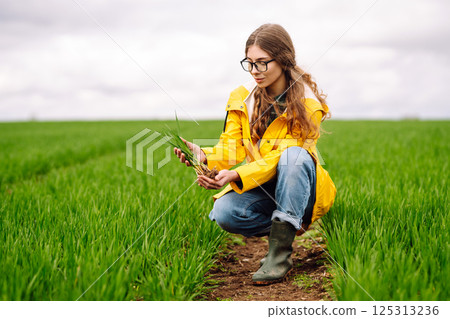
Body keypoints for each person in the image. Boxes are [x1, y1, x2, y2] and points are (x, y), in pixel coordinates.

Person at [174, 23, 336, 285]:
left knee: (293, 156)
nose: (254, 71)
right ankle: (283, 228)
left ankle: (279, 254)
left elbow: (283, 155)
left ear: (283, 60)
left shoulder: (308, 104)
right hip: (264, 186)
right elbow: (232, 145)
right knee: (224, 212)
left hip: (302, 188)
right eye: (249, 63)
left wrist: (236, 173)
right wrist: (204, 156)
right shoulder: (242, 98)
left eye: (262, 63)